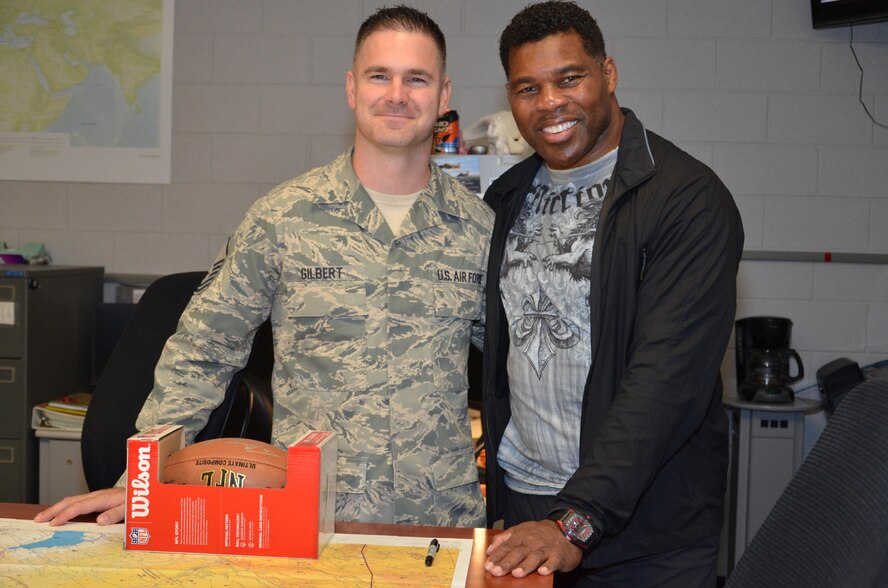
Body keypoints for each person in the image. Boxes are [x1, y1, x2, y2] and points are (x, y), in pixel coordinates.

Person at [35, 5, 492, 530]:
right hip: (309, 523)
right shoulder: (283, 218)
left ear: (444, 94)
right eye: (378, 75)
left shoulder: (477, 230)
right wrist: (136, 485)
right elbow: (202, 353)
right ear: (351, 88)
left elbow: (521, 372)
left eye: (416, 78)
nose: (396, 94)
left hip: (441, 526)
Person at [480, 2, 744, 586]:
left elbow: (666, 383)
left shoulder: (685, 199)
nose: (549, 102)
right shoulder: (506, 198)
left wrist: (577, 520)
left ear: (609, 74)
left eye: (569, 78)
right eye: (528, 87)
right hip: (527, 511)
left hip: (643, 536)